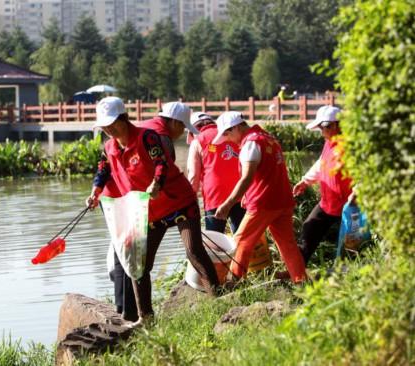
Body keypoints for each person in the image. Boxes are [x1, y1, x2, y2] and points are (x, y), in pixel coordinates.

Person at [87, 97, 220, 326]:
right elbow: (103, 171)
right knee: (139, 265)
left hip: (179, 202)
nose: (109, 129)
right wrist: (94, 192)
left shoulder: (147, 137)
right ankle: (145, 318)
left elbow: (161, 162)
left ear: (124, 118)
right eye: (105, 126)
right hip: (150, 211)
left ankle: (218, 300)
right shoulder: (109, 147)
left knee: (194, 251)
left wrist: (157, 182)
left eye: (112, 123)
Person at [213, 112, 307, 284]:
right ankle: (301, 281)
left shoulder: (250, 144)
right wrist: (246, 196)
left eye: (227, 134)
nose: (227, 139)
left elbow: (247, 177)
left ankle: (234, 283)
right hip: (283, 201)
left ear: (236, 127)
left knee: (241, 241)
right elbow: (267, 172)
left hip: (263, 203)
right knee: (287, 244)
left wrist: (228, 204)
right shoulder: (266, 137)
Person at [292, 106, 353, 265]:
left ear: (334, 125)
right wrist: (305, 181)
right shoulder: (329, 142)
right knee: (309, 229)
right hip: (328, 202)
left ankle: (347, 273)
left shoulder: (350, 145)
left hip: (350, 204)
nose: (320, 131)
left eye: (322, 127)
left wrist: (358, 192)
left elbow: (364, 171)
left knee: (350, 241)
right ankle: (297, 270)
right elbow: (321, 164)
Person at [186, 112, 245, 233]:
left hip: (215, 195)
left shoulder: (198, 141)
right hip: (240, 192)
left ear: (194, 129)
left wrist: (190, 204)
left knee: (215, 241)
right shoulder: (230, 133)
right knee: (241, 238)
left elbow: (193, 176)